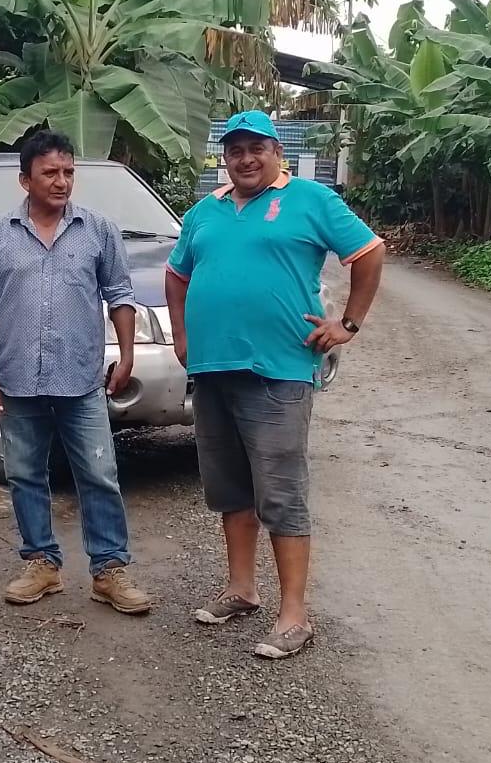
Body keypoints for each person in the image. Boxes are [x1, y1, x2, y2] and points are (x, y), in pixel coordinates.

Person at [165, 110, 385, 658]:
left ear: (276, 153)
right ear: (225, 158)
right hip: (212, 371)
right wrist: (182, 336)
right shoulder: (204, 211)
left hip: (279, 371)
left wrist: (348, 323)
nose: (246, 159)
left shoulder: (311, 199)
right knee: (229, 489)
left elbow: (369, 251)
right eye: (235, 150)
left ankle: (294, 616)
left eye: (256, 148)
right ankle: (242, 590)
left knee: (282, 493)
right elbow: (176, 273)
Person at [0, 130, 152, 614]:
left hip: (81, 378)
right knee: (24, 474)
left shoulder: (98, 230)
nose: (62, 181)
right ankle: (41, 563)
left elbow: (120, 295)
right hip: (17, 379)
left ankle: (109, 570)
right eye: (50, 172)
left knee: (99, 474)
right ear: (25, 179)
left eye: (68, 172)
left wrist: (127, 354)